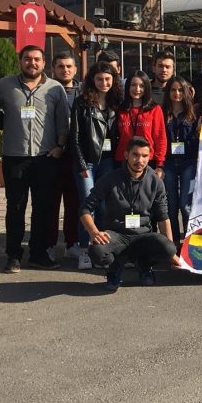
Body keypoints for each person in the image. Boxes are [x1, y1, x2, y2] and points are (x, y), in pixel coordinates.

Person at [0, 45, 70, 272]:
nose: (32, 63)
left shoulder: (55, 88)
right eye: (27, 59)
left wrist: (60, 146)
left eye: (37, 59)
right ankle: (13, 255)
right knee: (15, 208)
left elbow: (63, 121)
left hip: (45, 157)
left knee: (43, 208)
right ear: (20, 61)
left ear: (44, 63)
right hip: (14, 157)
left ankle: (38, 254)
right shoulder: (3, 86)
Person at [80, 137, 179, 291]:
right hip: (116, 234)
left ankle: (144, 266)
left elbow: (163, 217)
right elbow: (85, 209)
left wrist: (171, 253)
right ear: (126, 155)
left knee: (169, 248)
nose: (140, 160)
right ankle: (115, 267)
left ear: (149, 157)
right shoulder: (110, 178)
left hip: (143, 235)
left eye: (144, 156)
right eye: (135, 155)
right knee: (96, 250)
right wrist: (94, 232)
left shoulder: (156, 181)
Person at [69, 62, 122, 270]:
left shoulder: (116, 102)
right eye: (99, 79)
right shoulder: (82, 102)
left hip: (108, 162)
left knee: (104, 207)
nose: (104, 83)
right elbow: (74, 136)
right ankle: (84, 249)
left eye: (108, 79)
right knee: (88, 205)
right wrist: (81, 163)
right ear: (93, 80)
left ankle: (100, 249)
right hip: (88, 162)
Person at [48, 51, 81, 261]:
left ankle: (72, 243)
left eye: (69, 66)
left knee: (74, 203)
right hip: (52, 154)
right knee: (50, 204)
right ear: (53, 69)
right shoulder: (46, 90)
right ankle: (49, 244)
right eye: (60, 66)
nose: (65, 70)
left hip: (75, 155)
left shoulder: (84, 92)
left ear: (75, 69)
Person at [162, 76, 198, 248]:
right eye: (173, 90)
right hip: (168, 163)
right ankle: (174, 242)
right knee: (171, 206)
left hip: (188, 163)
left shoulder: (194, 113)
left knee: (186, 205)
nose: (176, 93)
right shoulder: (162, 112)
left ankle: (189, 243)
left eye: (180, 90)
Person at [114, 71, 167, 179]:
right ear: (128, 87)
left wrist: (160, 164)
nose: (137, 89)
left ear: (147, 88)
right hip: (123, 160)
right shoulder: (120, 109)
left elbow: (160, 138)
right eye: (133, 85)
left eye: (141, 86)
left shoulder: (154, 109)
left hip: (147, 160)